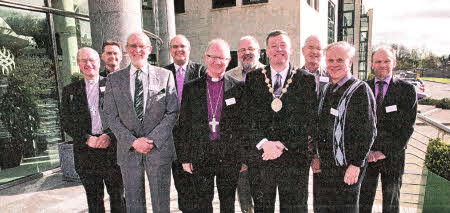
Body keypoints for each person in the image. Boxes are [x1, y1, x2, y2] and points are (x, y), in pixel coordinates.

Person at [242, 30, 317, 213]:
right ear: (266, 51)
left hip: (293, 157)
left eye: (283, 45)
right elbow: (247, 117)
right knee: (262, 207)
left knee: (294, 208)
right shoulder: (253, 78)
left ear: (291, 50)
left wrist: (282, 144)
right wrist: (264, 143)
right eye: (273, 46)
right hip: (261, 157)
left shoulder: (305, 79)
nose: (278, 49)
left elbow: (308, 121)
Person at [103, 31, 178, 213]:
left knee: (161, 203)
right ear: (127, 49)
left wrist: (151, 140)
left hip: (158, 149)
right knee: (134, 204)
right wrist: (133, 141)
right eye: (133, 46)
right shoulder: (114, 79)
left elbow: (172, 111)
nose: (137, 50)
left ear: (149, 49)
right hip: (129, 151)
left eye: (142, 46)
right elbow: (111, 116)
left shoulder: (165, 75)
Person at [176, 39, 244, 213]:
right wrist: (184, 157)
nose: (217, 61)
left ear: (229, 61)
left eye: (221, 58)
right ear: (205, 58)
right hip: (201, 155)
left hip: (229, 156)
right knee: (203, 203)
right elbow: (183, 125)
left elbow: (243, 125)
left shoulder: (238, 88)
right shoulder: (191, 88)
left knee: (228, 203)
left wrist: (243, 157)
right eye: (212, 57)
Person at [61, 47, 125, 213]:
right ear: (78, 64)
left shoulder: (114, 85)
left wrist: (110, 135)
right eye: (84, 60)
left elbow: (125, 117)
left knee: (118, 196)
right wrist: (86, 138)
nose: (88, 64)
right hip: (86, 152)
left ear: (99, 62)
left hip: (112, 151)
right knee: (94, 199)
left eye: (92, 60)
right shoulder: (70, 91)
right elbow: (66, 121)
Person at [315, 41, 376, 213]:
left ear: (350, 62)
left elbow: (369, 131)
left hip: (347, 169)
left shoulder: (361, 90)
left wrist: (356, 164)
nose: (334, 65)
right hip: (324, 168)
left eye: (339, 60)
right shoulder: (327, 89)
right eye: (330, 60)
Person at [360, 46, 417, 213]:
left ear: (394, 63)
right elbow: (357, 124)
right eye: (378, 61)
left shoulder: (407, 90)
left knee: (391, 202)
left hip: (393, 157)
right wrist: (368, 152)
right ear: (371, 64)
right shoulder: (362, 88)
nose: (382, 65)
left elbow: (407, 127)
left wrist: (383, 152)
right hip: (367, 157)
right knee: (363, 200)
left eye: (386, 61)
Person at [163, 34, 206, 213]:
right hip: (172, 139)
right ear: (170, 51)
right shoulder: (163, 73)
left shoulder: (201, 71)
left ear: (189, 49)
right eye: (175, 47)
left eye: (183, 46)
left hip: (197, 138)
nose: (179, 50)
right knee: (182, 186)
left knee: (201, 188)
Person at [224, 35, 265, 213]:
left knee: (264, 196)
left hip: (263, 146)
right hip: (239, 147)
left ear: (259, 52)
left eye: (251, 49)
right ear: (237, 54)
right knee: (244, 197)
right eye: (242, 50)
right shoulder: (228, 76)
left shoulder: (269, 73)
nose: (246, 53)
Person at [301, 35, 328, 213]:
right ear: (303, 51)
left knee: (323, 195)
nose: (314, 52)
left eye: (318, 48)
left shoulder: (332, 77)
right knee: (299, 194)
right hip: (300, 145)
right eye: (311, 47)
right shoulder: (294, 77)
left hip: (325, 145)